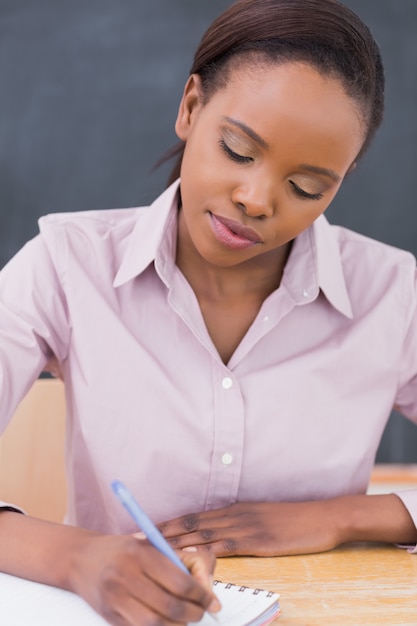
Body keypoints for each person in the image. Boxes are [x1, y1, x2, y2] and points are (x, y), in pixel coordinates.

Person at [1, 0, 417, 624]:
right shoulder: (66, 265)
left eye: (307, 187)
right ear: (191, 107)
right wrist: (78, 558)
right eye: (237, 149)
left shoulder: (392, 290)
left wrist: (339, 517)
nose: (255, 199)